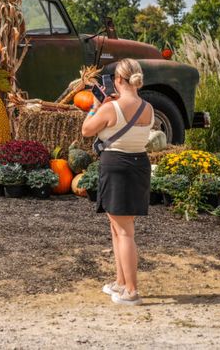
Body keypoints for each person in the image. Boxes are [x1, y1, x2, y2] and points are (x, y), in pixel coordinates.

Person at [81, 58, 154, 306]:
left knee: (124, 232)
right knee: (118, 229)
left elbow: (86, 130)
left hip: (116, 167)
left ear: (118, 80)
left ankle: (131, 291)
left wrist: (95, 105)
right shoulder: (149, 108)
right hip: (139, 166)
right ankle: (120, 282)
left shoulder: (110, 108)